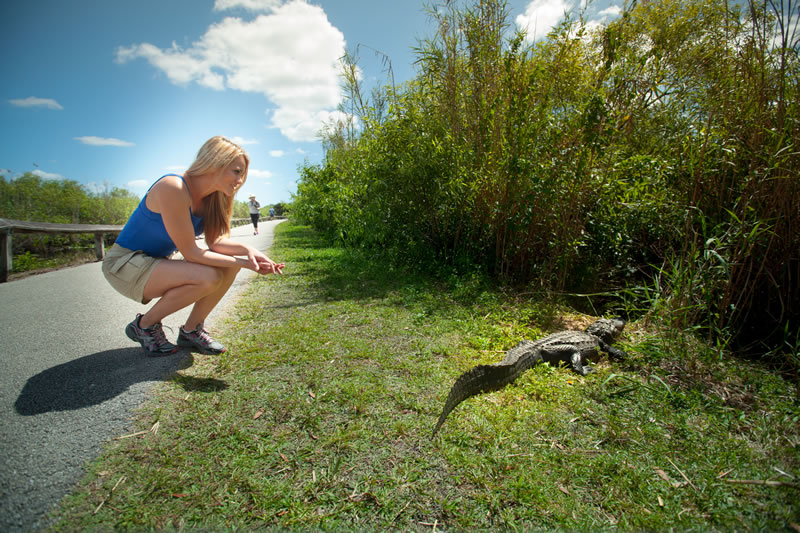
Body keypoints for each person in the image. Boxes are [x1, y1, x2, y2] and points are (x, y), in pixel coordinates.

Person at [102, 136, 284, 356]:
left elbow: (216, 242)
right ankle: (144, 325)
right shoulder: (173, 187)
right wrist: (247, 264)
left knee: (228, 266)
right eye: (237, 171)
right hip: (123, 265)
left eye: (242, 173)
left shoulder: (216, 197)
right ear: (215, 163)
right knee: (208, 276)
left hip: (156, 263)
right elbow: (191, 252)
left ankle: (192, 330)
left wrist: (250, 252)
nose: (240, 180)